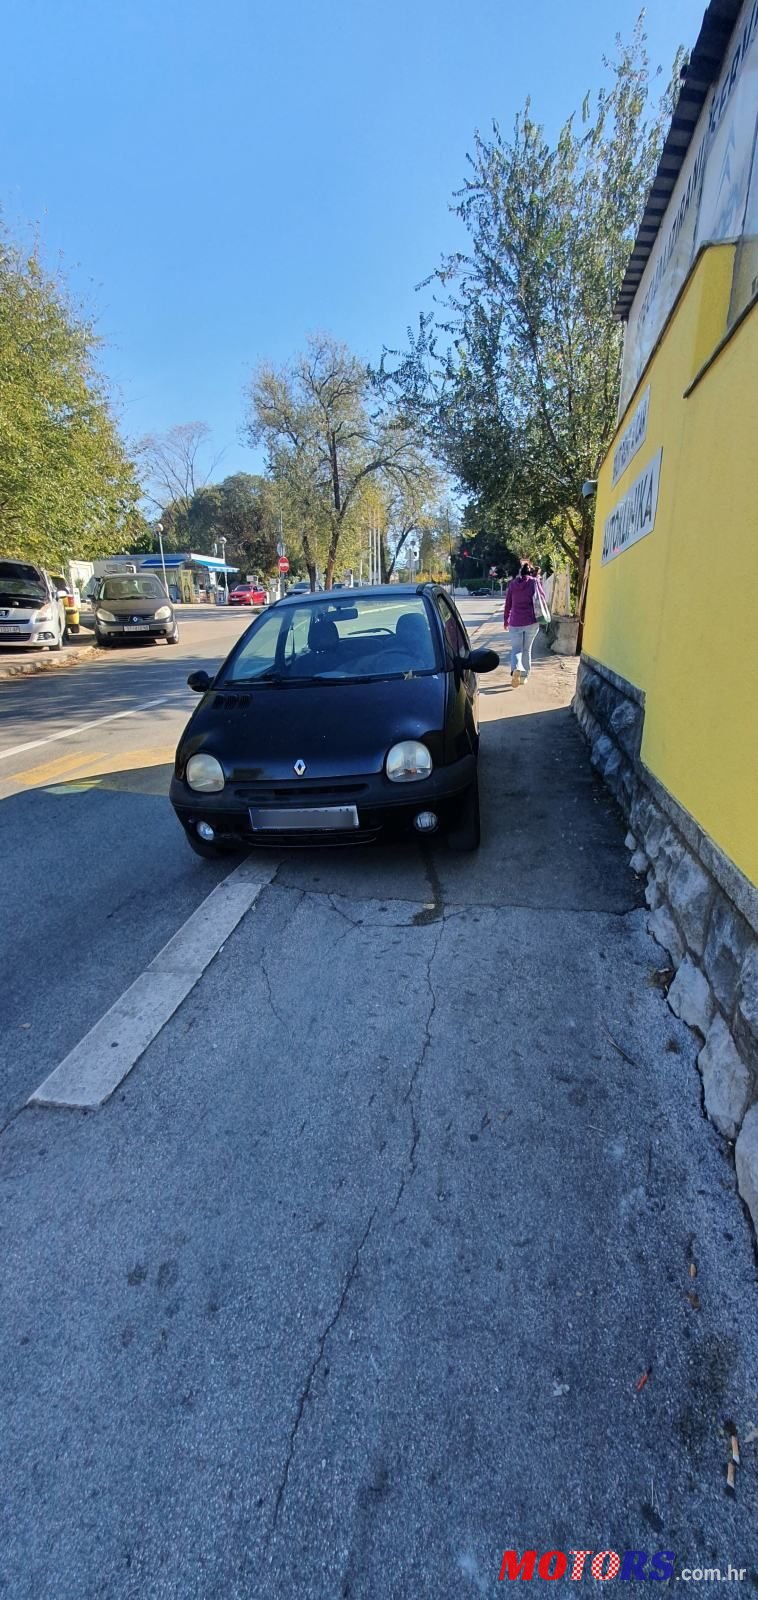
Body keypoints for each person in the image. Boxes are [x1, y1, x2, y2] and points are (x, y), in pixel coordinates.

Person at [503, 562, 541, 686]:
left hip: (515, 622)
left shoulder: (513, 584)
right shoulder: (534, 582)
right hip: (531, 621)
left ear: (520, 572)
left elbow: (508, 603)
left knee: (516, 649)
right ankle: (524, 676)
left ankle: (516, 669)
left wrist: (506, 620)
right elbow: (542, 597)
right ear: (530, 572)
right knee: (526, 649)